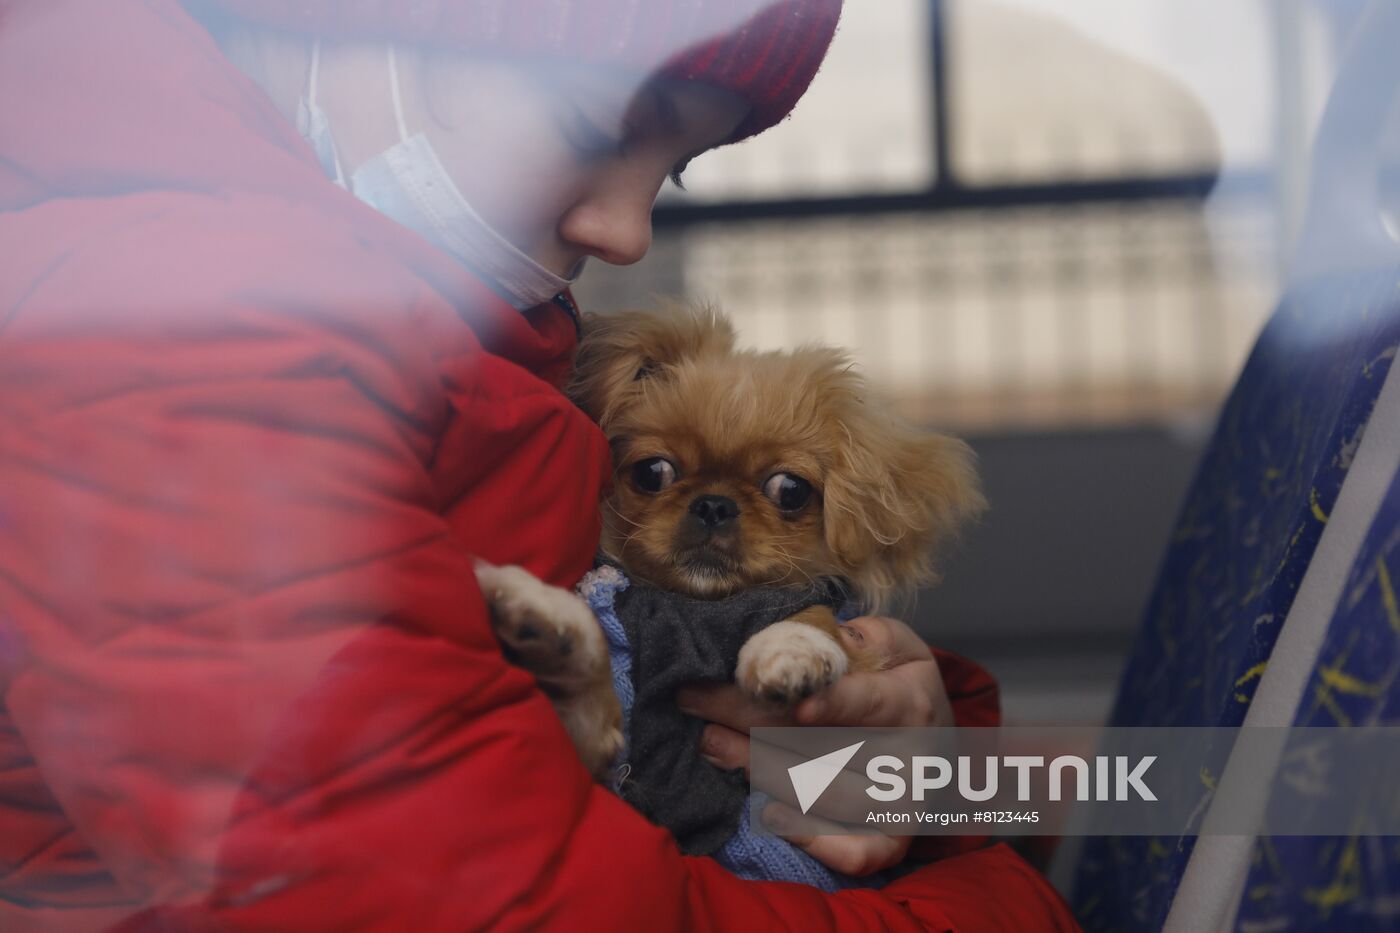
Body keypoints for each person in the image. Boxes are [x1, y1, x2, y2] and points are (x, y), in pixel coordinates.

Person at [0, 0, 1080, 929]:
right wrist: (980, 907)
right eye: (592, 123)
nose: (624, 229)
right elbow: (474, 898)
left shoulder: (442, 342)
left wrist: (919, 750)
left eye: (675, 170)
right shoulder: (189, 338)